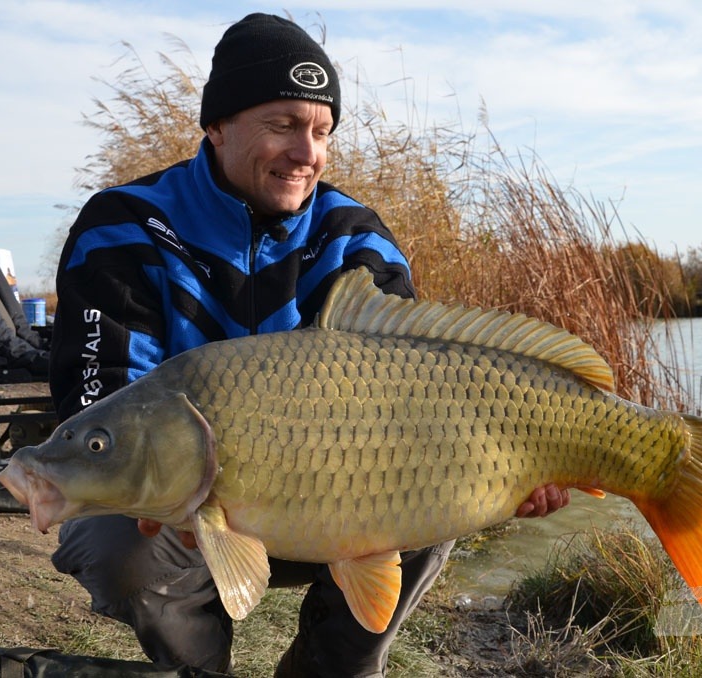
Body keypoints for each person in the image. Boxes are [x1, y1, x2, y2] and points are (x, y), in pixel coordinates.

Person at [48, 12, 569, 677]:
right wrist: (157, 493)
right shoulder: (124, 225)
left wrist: (507, 474)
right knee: (117, 535)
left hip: (326, 499)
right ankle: (199, 670)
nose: (307, 154)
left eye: (322, 132)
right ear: (217, 125)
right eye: (283, 125)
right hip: (183, 509)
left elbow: (417, 403)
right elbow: (105, 404)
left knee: (429, 514)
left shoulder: (356, 238)